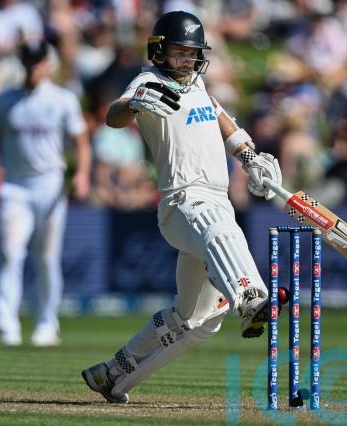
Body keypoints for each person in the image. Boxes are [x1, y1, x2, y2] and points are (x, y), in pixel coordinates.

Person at [81, 11, 282, 404]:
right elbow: (113, 115)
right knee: (220, 227)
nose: (188, 60)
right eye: (179, 52)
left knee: (193, 320)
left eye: (193, 53)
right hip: (182, 201)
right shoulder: (149, 81)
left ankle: (114, 374)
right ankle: (250, 296)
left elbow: (221, 117)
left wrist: (249, 156)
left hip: (216, 199)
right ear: (158, 51)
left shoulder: (198, 84)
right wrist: (134, 103)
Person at [0, 41, 91, 347]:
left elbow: (80, 142)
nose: (34, 67)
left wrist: (82, 174)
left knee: (47, 258)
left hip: (50, 184)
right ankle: (7, 325)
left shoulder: (63, 99)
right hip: (15, 186)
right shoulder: (5, 101)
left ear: (47, 64)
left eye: (39, 62)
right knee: (10, 253)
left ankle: (46, 324)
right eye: (29, 61)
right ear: (23, 64)